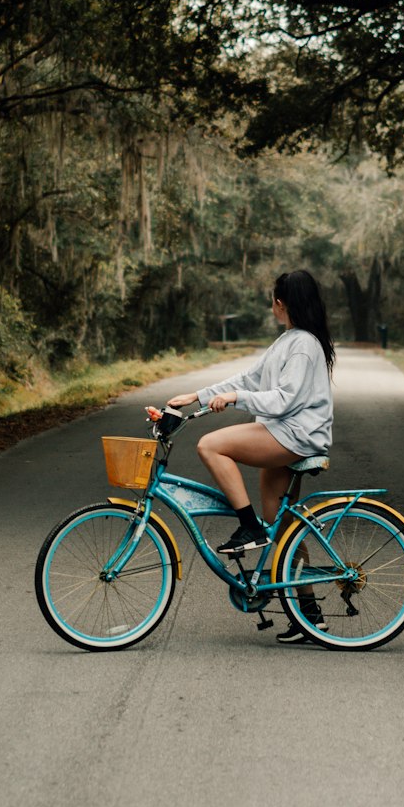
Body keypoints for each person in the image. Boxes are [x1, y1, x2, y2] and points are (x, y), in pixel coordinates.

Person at [168, 269, 335, 643]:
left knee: (211, 445)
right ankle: (310, 617)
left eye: (273, 299)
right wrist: (196, 396)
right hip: (286, 430)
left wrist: (235, 400)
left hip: (295, 433)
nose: (271, 305)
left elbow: (284, 399)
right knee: (285, 529)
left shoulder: (304, 344)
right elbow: (248, 380)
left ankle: (249, 526)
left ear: (282, 303)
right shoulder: (288, 341)